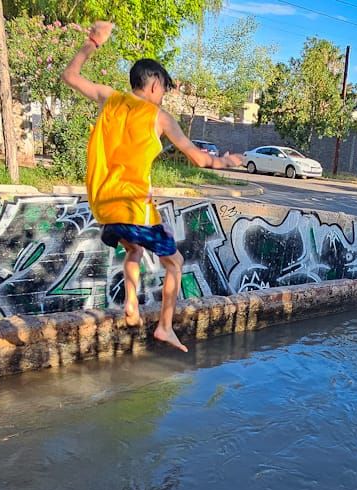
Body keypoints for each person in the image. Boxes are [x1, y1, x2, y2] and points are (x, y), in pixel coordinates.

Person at [61, 21, 244, 352]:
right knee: (174, 262)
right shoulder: (160, 117)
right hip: (133, 206)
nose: (162, 96)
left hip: (103, 206)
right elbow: (200, 160)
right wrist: (227, 162)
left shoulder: (109, 98)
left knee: (133, 250)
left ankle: (131, 306)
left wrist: (93, 42)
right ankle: (164, 327)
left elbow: (70, 77)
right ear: (154, 84)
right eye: (163, 89)